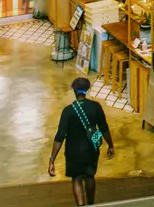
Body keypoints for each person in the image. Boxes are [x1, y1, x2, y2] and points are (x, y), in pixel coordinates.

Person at [49, 76, 115, 204]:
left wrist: (52, 160)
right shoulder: (95, 107)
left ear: (74, 90)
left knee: (77, 178)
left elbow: (60, 136)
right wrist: (110, 145)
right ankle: (90, 204)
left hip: (73, 152)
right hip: (91, 150)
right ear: (87, 90)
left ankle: (81, 205)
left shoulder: (67, 111)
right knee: (90, 176)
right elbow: (104, 128)